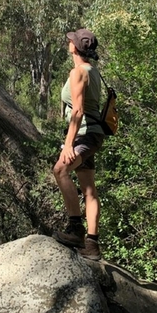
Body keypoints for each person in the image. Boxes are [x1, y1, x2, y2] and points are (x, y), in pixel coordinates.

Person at [52, 29, 104, 260]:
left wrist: (68, 144)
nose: (68, 42)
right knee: (89, 188)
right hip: (94, 133)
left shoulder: (78, 72)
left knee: (60, 170)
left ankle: (75, 230)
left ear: (76, 47)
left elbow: (78, 111)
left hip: (84, 134)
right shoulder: (93, 71)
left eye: (71, 41)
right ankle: (92, 245)